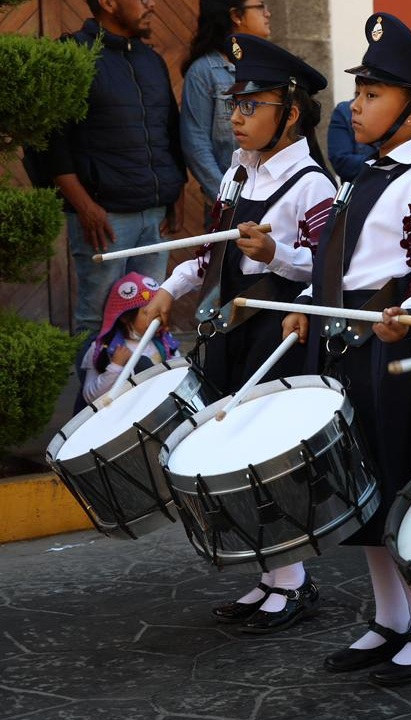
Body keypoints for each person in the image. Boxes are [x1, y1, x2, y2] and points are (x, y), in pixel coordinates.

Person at [283, 13, 411, 686]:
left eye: (373, 96)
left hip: (393, 356)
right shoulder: (363, 175)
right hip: (346, 351)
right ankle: (390, 619)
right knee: (365, 494)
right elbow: (341, 263)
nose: (356, 106)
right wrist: (306, 310)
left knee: (402, 492)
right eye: (358, 94)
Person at [142, 34, 337, 634]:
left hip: (275, 330)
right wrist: (169, 290)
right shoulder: (233, 173)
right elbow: (208, 253)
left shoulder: (313, 185)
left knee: (270, 457)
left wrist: (277, 252)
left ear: (292, 112)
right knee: (235, 456)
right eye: (234, 104)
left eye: (251, 105)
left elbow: (327, 267)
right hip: (226, 328)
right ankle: (271, 575)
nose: (236, 116)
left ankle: (294, 581)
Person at [25, 0, 185, 337]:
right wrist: (85, 207)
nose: (151, 5)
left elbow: (168, 129)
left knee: (149, 316)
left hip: (154, 215)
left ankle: (139, 390)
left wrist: (176, 190)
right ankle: (96, 392)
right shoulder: (71, 56)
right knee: (99, 320)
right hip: (105, 219)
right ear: (110, 3)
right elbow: (51, 144)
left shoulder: (151, 59)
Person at [181, 0, 272, 210]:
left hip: (272, 200)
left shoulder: (269, 68)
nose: (268, 14)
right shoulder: (204, 72)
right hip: (230, 207)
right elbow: (196, 145)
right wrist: (229, 200)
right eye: (260, 7)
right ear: (236, 16)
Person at [79, 273, 180, 405]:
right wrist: (115, 367)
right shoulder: (103, 348)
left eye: (159, 311)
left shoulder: (166, 343)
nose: (158, 318)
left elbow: (178, 377)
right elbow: (90, 398)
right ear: (125, 316)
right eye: (147, 312)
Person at [327, 100, 376, 183]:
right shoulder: (345, 111)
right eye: (358, 92)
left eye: (371, 95)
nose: (353, 106)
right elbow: (341, 161)